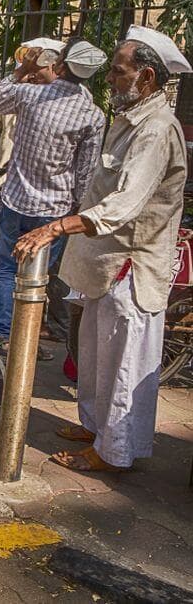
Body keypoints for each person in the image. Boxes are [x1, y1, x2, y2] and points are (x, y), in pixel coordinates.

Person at [14, 25, 190, 472]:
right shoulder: (129, 119)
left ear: (146, 77)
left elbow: (123, 204)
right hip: (104, 266)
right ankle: (96, 428)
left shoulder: (155, 131)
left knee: (122, 366)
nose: (109, 79)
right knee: (95, 357)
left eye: (118, 71)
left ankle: (113, 452)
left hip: (130, 269)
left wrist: (55, 227)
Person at [0, 38, 106, 351]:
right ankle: (25, 341)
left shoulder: (31, 94)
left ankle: (4, 334)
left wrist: (22, 69)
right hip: (54, 210)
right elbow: (85, 172)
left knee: (9, 269)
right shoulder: (92, 115)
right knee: (37, 275)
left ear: (61, 65)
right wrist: (77, 210)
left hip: (15, 200)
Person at [0, 37, 66, 180]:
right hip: (8, 182)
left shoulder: (68, 106)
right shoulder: (17, 102)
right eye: (28, 72)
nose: (31, 77)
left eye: (34, 70)